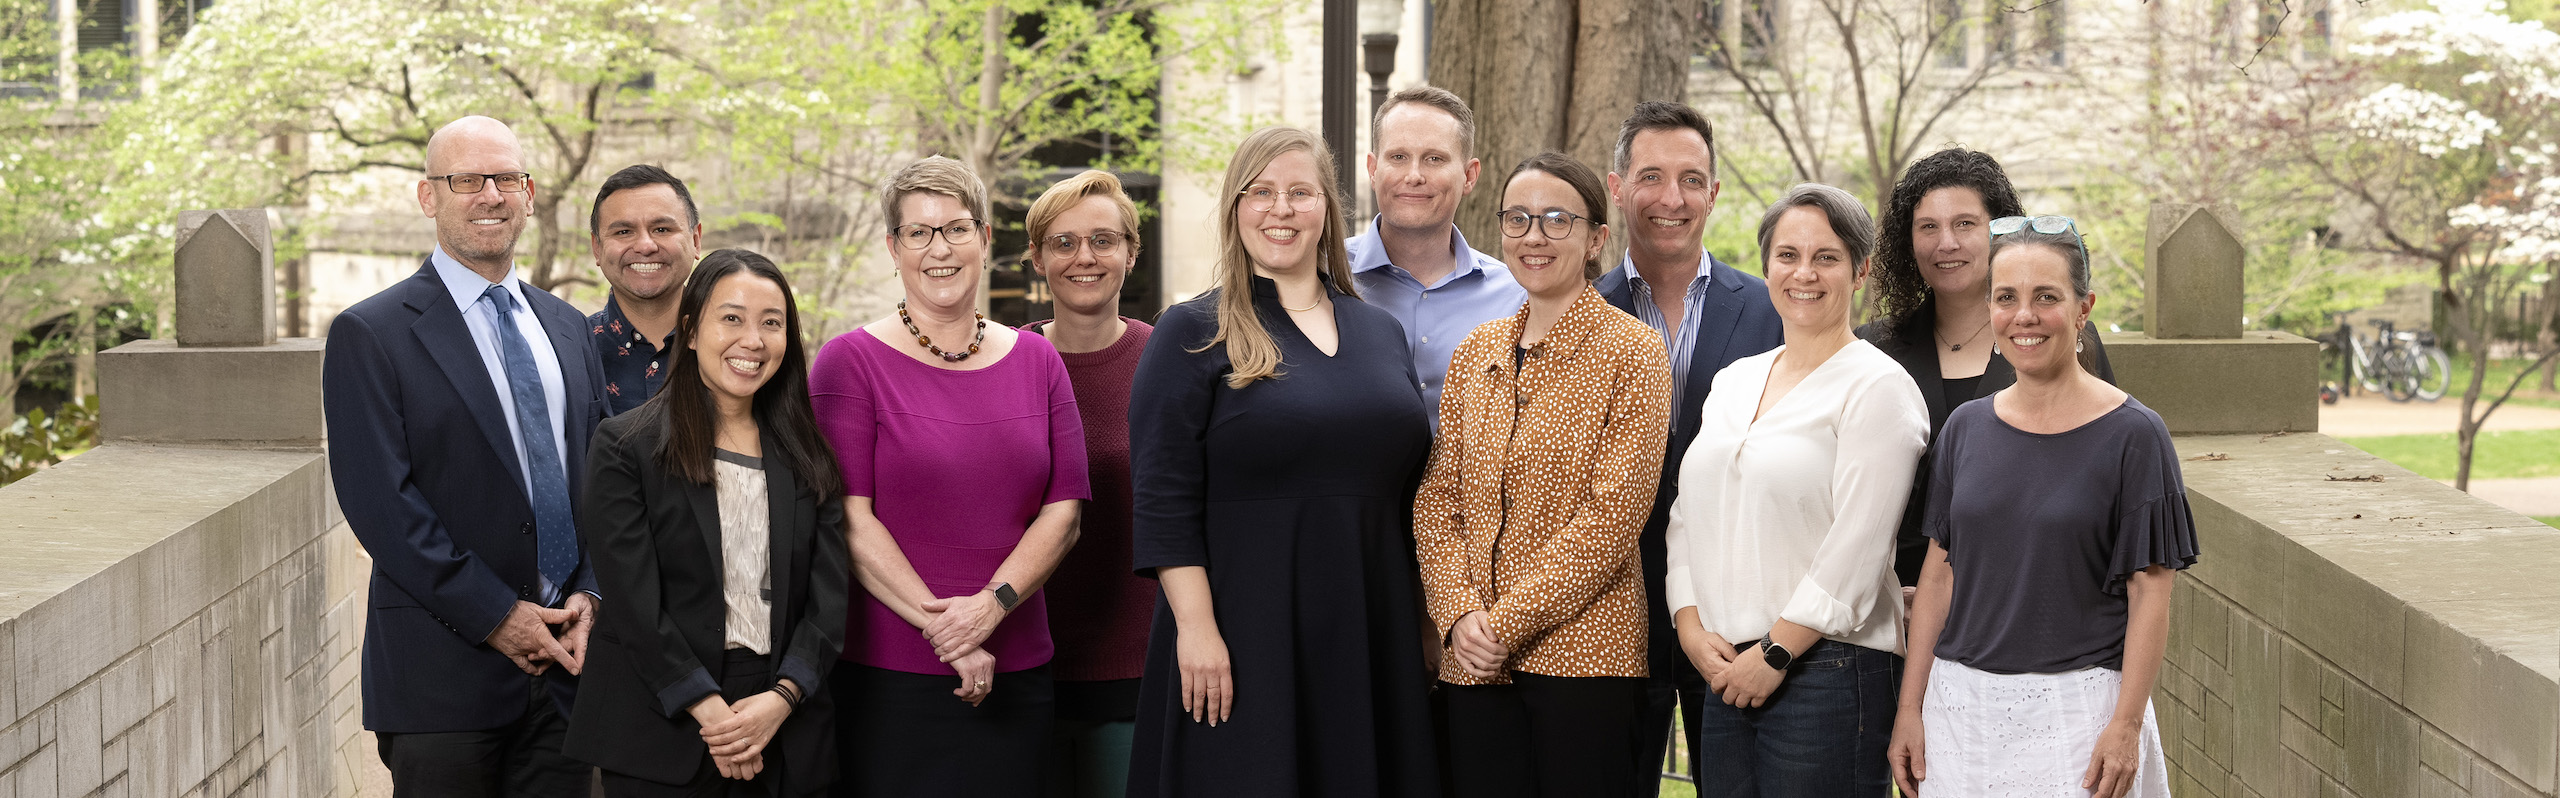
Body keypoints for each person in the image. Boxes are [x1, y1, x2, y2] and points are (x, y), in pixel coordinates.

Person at [1126, 126, 1439, 797]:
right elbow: (1161, 495)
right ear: (1235, 208)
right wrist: (1198, 630)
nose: (1281, 208)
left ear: (1327, 208)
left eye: (1300, 192)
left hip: (1368, 626)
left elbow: (1410, 495)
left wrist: (1420, 622)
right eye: (1261, 192)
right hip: (1244, 630)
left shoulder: (1378, 332)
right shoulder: (1193, 330)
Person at [321, 115, 608, 796]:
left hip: (571, 673)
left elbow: (600, 480)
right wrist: (497, 616)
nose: (490, 194)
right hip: (441, 678)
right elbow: (381, 505)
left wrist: (593, 592)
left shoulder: (567, 326)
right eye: (467, 179)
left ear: (529, 193)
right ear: (430, 197)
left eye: (506, 178)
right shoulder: (371, 333)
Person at [809, 156, 1089, 796]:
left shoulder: (1038, 360)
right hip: (891, 677)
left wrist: (991, 610)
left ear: (986, 239)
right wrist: (952, 635)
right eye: (919, 233)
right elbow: (849, 518)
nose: (940, 249)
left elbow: (1065, 512)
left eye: (957, 229)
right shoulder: (848, 364)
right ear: (893, 247)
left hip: (1019, 670)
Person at [1889, 216, 2194, 798]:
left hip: (2080, 719)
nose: (2023, 316)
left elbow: (2150, 592)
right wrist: (1911, 708)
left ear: (2083, 309)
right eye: (2006, 297)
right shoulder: (1964, 429)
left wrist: (2125, 725)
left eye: (2046, 297)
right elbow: (1938, 577)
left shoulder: (2136, 435)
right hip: (1960, 714)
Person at [1412, 151, 1672, 797]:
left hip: (1585, 660)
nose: (1535, 236)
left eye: (1558, 219)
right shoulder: (1477, 351)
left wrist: (1503, 624)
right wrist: (1459, 616)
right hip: (1473, 663)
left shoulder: (1635, 352)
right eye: (1519, 219)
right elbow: (1437, 501)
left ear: (1595, 239)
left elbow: (1612, 521)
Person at [1664, 183, 1928, 795]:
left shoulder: (1877, 387)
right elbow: (1687, 514)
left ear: (1860, 270)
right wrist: (1690, 626)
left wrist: (1777, 653)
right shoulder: (1735, 380)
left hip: (1828, 669)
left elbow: (1858, 546)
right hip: (1726, 663)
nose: (1804, 273)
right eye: (1788, 255)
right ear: (1766, 267)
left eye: (1826, 257)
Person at [567, 249, 850, 797]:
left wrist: (783, 698)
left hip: (785, 715)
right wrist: (714, 715)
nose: (753, 340)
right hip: (664, 720)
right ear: (692, 331)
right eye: (732, 318)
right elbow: (633, 602)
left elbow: (829, 596)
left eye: (772, 323)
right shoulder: (626, 446)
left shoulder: (808, 453)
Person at [1590, 100, 1786, 791]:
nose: (1671, 198)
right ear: (1616, 187)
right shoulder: (1580, 311)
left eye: (1691, 179)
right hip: (1609, 613)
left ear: (1714, 191)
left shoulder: (1772, 311)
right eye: (1650, 176)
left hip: (1740, 613)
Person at [1858, 148, 2117, 587]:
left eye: (1964, 224)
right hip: (1893, 610)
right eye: (1928, 227)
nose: (1947, 243)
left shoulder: (2062, 339)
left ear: (1998, 233)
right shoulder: (1872, 349)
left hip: (2025, 593)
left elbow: (2100, 476)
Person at [1018, 169, 1156, 798]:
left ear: (1131, 251)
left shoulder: (1168, 364)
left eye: (1103, 240)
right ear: (1037, 258)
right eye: (1063, 242)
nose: (1084, 258)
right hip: (1020, 667)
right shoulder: (1002, 365)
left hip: (1139, 668)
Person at [1346, 85, 1526, 421]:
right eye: (1398, 157)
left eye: (1434, 159)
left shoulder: (1517, 297)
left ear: (1469, 176)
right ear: (1373, 169)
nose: (1414, 176)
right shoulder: (1324, 274)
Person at [588, 164, 705, 415]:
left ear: (696, 240)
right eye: (623, 232)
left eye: (662, 229)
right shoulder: (571, 352)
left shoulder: (732, 345)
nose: (645, 245)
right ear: (597, 248)